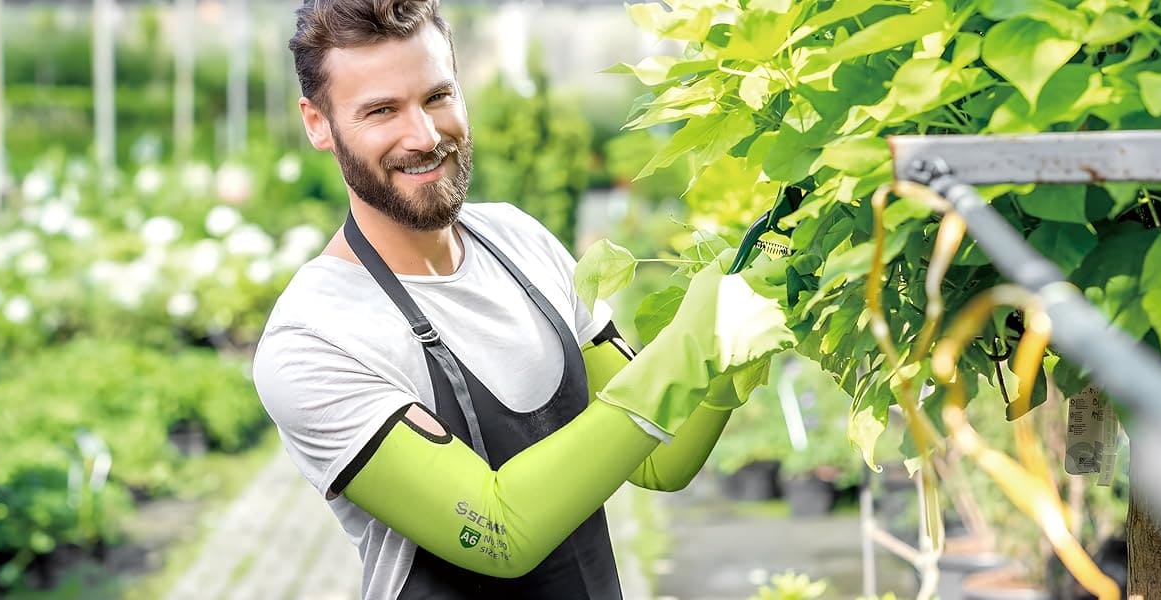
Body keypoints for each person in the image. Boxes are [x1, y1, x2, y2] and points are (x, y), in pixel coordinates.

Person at [252, 0, 789, 597]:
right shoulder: (313, 340)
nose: (425, 135)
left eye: (438, 96)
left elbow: (660, 461)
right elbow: (501, 532)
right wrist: (694, 340)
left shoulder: (520, 239)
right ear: (318, 122)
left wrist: (741, 318)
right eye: (382, 110)